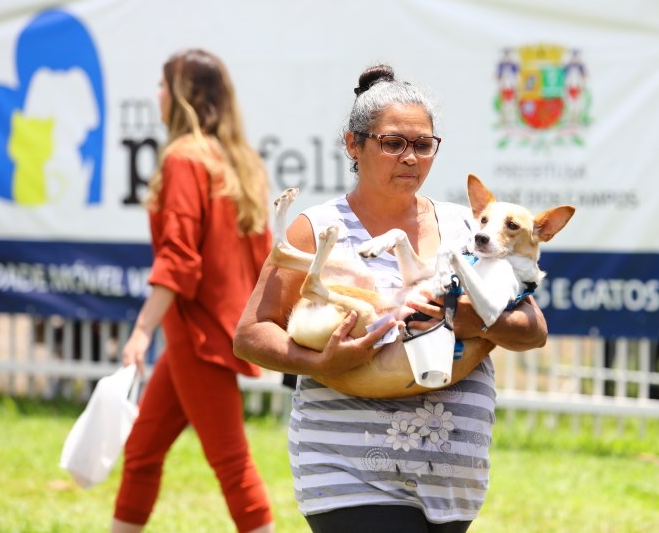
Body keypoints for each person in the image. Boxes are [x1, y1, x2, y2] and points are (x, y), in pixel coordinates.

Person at [233, 64, 547, 532]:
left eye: (423, 145)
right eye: (394, 143)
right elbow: (251, 335)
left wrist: (471, 319)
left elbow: (532, 331)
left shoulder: (472, 228)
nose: (411, 158)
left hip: (452, 477)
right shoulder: (317, 228)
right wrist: (321, 362)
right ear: (353, 145)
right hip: (348, 469)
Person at [111, 49, 274, 533]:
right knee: (142, 451)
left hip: (197, 334)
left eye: (163, 86)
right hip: (215, 330)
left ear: (183, 96)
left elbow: (179, 258)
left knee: (230, 461)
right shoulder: (238, 160)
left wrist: (141, 332)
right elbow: (260, 253)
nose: (157, 95)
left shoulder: (184, 158)